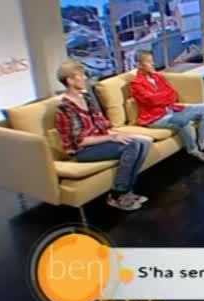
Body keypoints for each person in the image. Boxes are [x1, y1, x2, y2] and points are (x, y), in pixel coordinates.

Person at [54, 61, 152, 211]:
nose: (85, 78)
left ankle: (128, 190)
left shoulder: (86, 98)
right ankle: (117, 195)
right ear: (70, 80)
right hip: (83, 151)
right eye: (81, 75)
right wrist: (111, 138)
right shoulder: (65, 108)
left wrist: (118, 134)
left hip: (100, 141)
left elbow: (102, 125)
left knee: (144, 142)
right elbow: (80, 141)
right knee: (132, 146)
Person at [130, 50, 204, 162]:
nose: (153, 64)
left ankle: (203, 144)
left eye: (152, 61)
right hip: (155, 118)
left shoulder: (158, 77)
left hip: (171, 110)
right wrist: (163, 96)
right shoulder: (136, 83)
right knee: (182, 121)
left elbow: (172, 94)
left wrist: (160, 97)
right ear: (139, 65)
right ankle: (194, 150)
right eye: (148, 62)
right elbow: (151, 101)